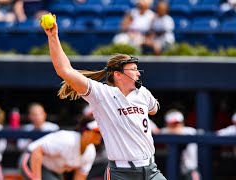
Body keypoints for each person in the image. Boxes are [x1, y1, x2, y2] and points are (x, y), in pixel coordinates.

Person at [42, 15, 166, 180]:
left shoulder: (143, 92)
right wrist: (53, 37)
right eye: (133, 68)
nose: (138, 72)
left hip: (150, 169)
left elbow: (154, 110)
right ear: (118, 75)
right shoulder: (102, 94)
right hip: (122, 173)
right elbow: (65, 71)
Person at [19, 119, 102, 180]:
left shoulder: (91, 152)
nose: (100, 135)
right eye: (97, 132)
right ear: (85, 132)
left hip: (53, 169)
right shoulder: (68, 140)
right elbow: (37, 151)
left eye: (101, 132)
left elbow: (80, 176)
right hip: (31, 158)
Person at [160, 109, 200, 180]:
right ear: (167, 124)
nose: (176, 126)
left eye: (178, 123)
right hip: (173, 170)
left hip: (190, 170)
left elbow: (180, 131)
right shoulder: (165, 132)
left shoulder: (190, 131)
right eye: (173, 124)